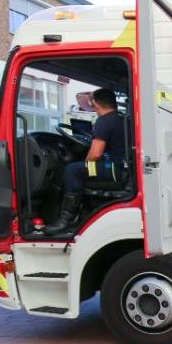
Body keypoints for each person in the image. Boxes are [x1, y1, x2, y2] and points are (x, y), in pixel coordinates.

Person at [44, 88, 125, 235]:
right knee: (78, 168)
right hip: (121, 168)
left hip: (113, 170)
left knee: (72, 170)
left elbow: (95, 154)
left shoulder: (104, 121)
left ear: (95, 103)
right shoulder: (120, 119)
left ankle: (66, 220)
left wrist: (85, 162)